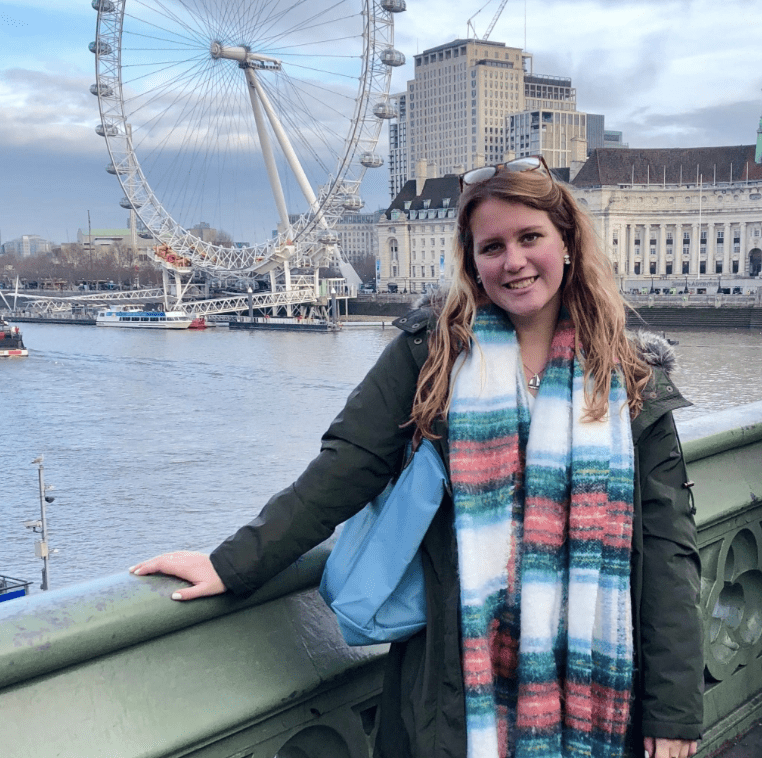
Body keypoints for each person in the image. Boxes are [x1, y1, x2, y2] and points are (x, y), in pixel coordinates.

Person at [129, 157, 703, 758]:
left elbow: (667, 554)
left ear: (566, 241)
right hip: (455, 682)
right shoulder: (429, 356)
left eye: (530, 237)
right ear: (470, 261)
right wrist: (234, 563)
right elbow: (346, 466)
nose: (513, 261)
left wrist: (675, 712)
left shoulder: (633, 382)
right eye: (492, 246)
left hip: (596, 688)